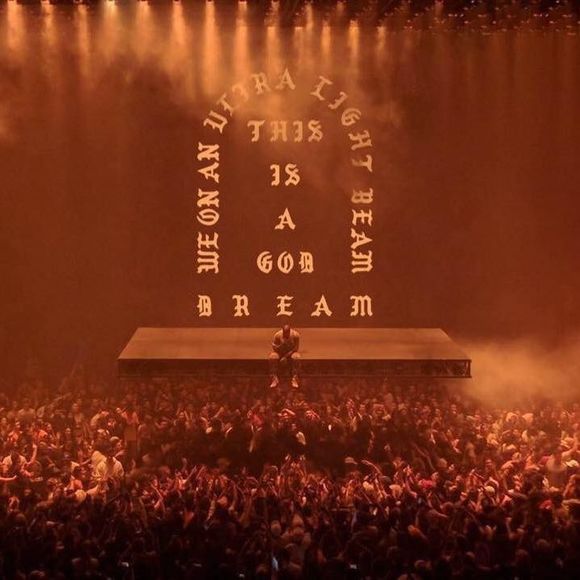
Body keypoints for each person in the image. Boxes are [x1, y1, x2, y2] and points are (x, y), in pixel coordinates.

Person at [269, 324, 301, 389]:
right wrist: (280, 346)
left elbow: (296, 348)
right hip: (280, 352)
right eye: (284, 333)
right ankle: (274, 378)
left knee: (296, 357)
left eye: (287, 334)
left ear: (289, 332)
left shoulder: (295, 335)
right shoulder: (277, 335)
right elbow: (275, 348)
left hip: (291, 353)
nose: (285, 335)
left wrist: (285, 357)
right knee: (272, 356)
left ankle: (295, 378)